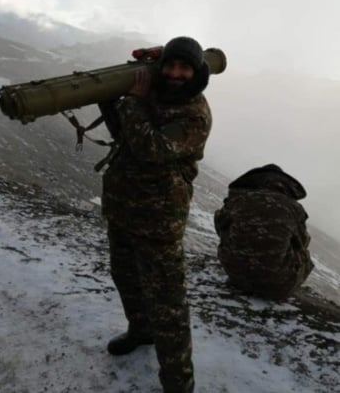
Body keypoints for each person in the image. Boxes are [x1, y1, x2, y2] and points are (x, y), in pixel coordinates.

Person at [99, 36, 213, 393]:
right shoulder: (154, 93)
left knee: (168, 305)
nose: (176, 74)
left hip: (159, 219)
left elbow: (152, 149)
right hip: (124, 207)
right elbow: (126, 137)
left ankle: (179, 382)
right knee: (126, 278)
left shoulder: (194, 113)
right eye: (171, 66)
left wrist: (132, 102)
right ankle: (141, 331)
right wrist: (109, 100)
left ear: (196, 71)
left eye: (184, 68)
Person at [214, 164, 314, 300]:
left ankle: (240, 262)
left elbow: (219, 225)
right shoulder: (295, 207)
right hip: (277, 287)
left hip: (235, 276)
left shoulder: (239, 198)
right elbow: (302, 242)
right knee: (304, 251)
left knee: (227, 224)